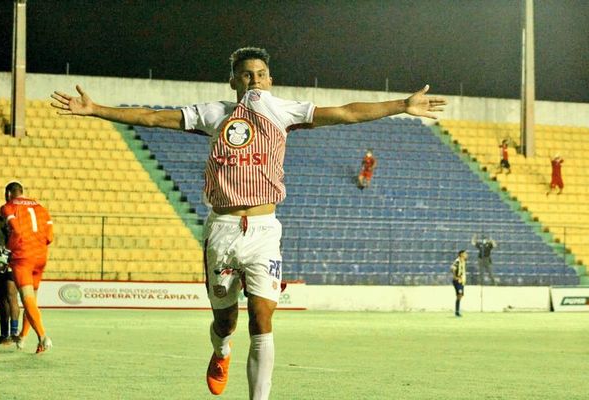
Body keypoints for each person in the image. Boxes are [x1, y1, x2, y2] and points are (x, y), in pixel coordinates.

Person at [50, 47, 447, 399]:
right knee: (225, 321)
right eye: (246, 74)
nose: (254, 80)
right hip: (223, 228)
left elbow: (346, 112)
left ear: (270, 80)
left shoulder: (283, 110)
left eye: (260, 74)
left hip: (263, 231)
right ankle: (221, 351)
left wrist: (401, 105)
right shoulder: (214, 114)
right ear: (233, 81)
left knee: (262, 318)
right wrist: (97, 109)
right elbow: (153, 118)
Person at [1, 182, 54, 353]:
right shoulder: (41, 208)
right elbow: (50, 237)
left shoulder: (8, 207)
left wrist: (6, 251)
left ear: (9, 193)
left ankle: (43, 336)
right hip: (40, 256)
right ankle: (23, 337)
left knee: (26, 297)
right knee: (32, 300)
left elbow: (16, 231)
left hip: (23, 256)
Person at [0, 196, 21, 345]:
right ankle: (4, 335)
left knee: (10, 295)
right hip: (1, 259)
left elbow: (16, 239)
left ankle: (14, 334)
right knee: (0, 298)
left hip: (12, 259)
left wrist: (8, 260)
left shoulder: (6, 218)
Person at [450, 250, 467, 317]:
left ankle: (457, 311)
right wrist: (455, 277)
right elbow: (452, 268)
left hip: (461, 281)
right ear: (461, 254)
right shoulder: (457, 261)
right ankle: (457, 312)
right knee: (459, 295)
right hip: (457, 280)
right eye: (465, 253)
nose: (466, 255)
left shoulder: (463, 261)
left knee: (460, 295)